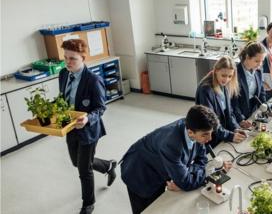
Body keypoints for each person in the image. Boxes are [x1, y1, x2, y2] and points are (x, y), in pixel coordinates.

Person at [120, 105, 233, 214]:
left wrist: (185, 175)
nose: (209, 139)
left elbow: (201, 159)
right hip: (140, 173)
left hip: (161, 166)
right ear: (190, 132)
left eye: (211, 133)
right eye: (205, 135)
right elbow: (186, 183)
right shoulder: (171, 144)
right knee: (148, 210)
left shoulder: (195, 128)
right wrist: (208, 173)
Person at [59, 39, 117, 214]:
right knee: (77, 162)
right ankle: (108, 166)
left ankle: (88, 203)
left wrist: (87, 119)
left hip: (89, 130)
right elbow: (63, 98)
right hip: (70, 127)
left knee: (84, 169)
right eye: (66, 58)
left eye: (73, 59)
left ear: (83, 58)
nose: (68, 62)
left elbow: (101, 107)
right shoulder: (63, 74)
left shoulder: (93, 80)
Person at [195, 56, 247, 147]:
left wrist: (235, 128)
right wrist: (230, 136)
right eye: (223, 75)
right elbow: (210, 121)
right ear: (216, 71)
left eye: (230, 76)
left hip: (221, 134)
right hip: (210, 138)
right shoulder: (206, 89)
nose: (226, 79)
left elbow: (229, 112)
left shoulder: (224, 85)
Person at [232, 42, 267, 129]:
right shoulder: (235, 73)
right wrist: (240, 119)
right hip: (239, 115)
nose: (259, 64)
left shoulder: (258, 71)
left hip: (253, 113)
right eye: (256, 61)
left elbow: (261, 92)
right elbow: (233, 102)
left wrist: (266, 108)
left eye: (262, 61)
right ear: (247, 57)